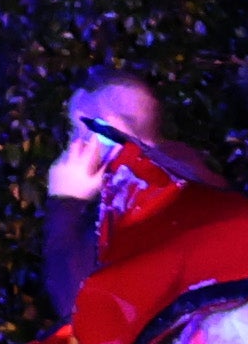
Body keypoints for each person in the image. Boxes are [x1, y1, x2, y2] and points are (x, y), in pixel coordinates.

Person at [38, 70, 195, 316]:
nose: (76, 145)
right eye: (74, 131)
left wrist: (65, 203)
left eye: (85, 129)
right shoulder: (187, 178)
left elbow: (83, 311)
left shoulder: (144, 202)